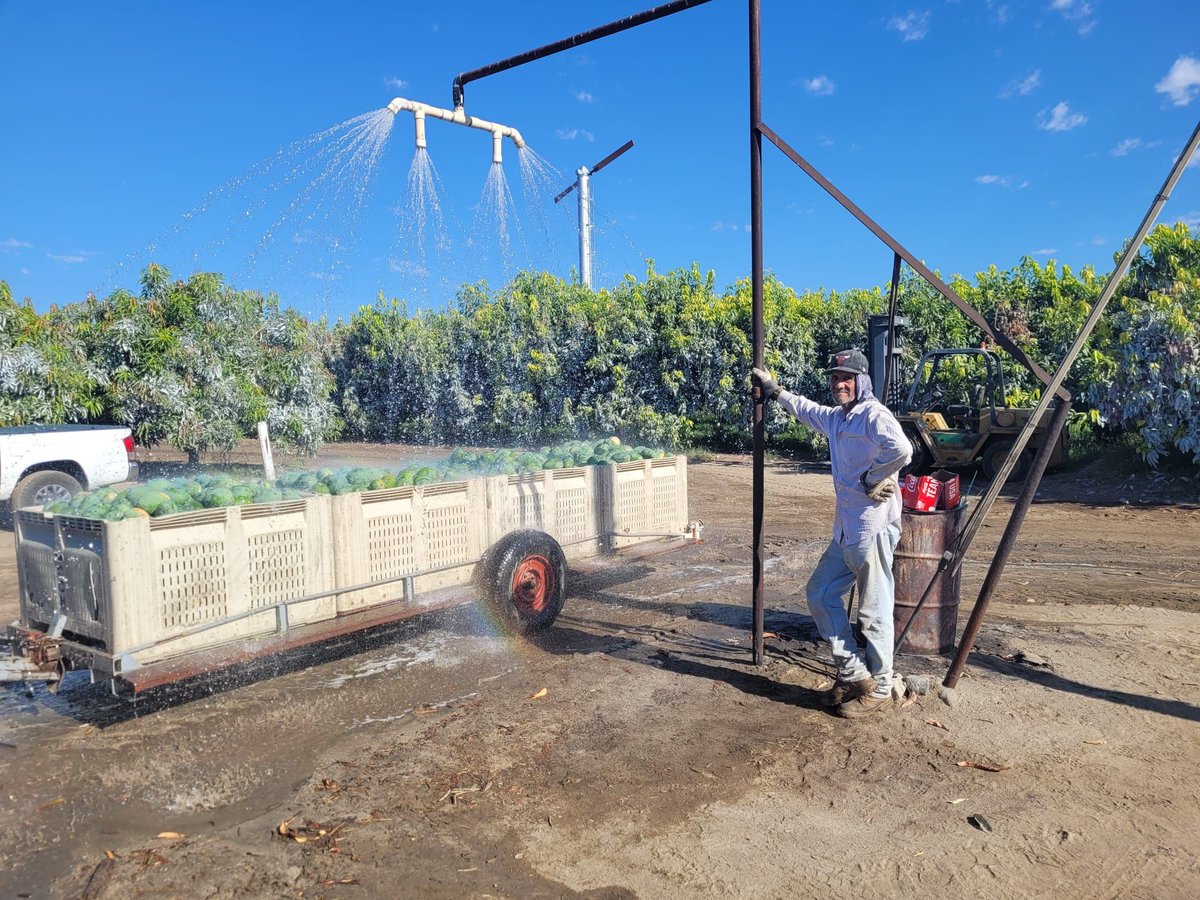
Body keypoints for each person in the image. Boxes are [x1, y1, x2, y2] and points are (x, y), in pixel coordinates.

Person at [753, 349, 911, 718]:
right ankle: (854, 674)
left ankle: (881, 688)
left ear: (861, 381)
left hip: (872, 528)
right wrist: (775, 390)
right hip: (846, 530)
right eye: (836, 378)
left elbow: (902, 449)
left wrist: (874, 477)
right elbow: (806, 410)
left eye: (847, 378)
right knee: (820, 594)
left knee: (874, 610)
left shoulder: (873, 415)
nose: (840, 384)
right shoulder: (838, 418)